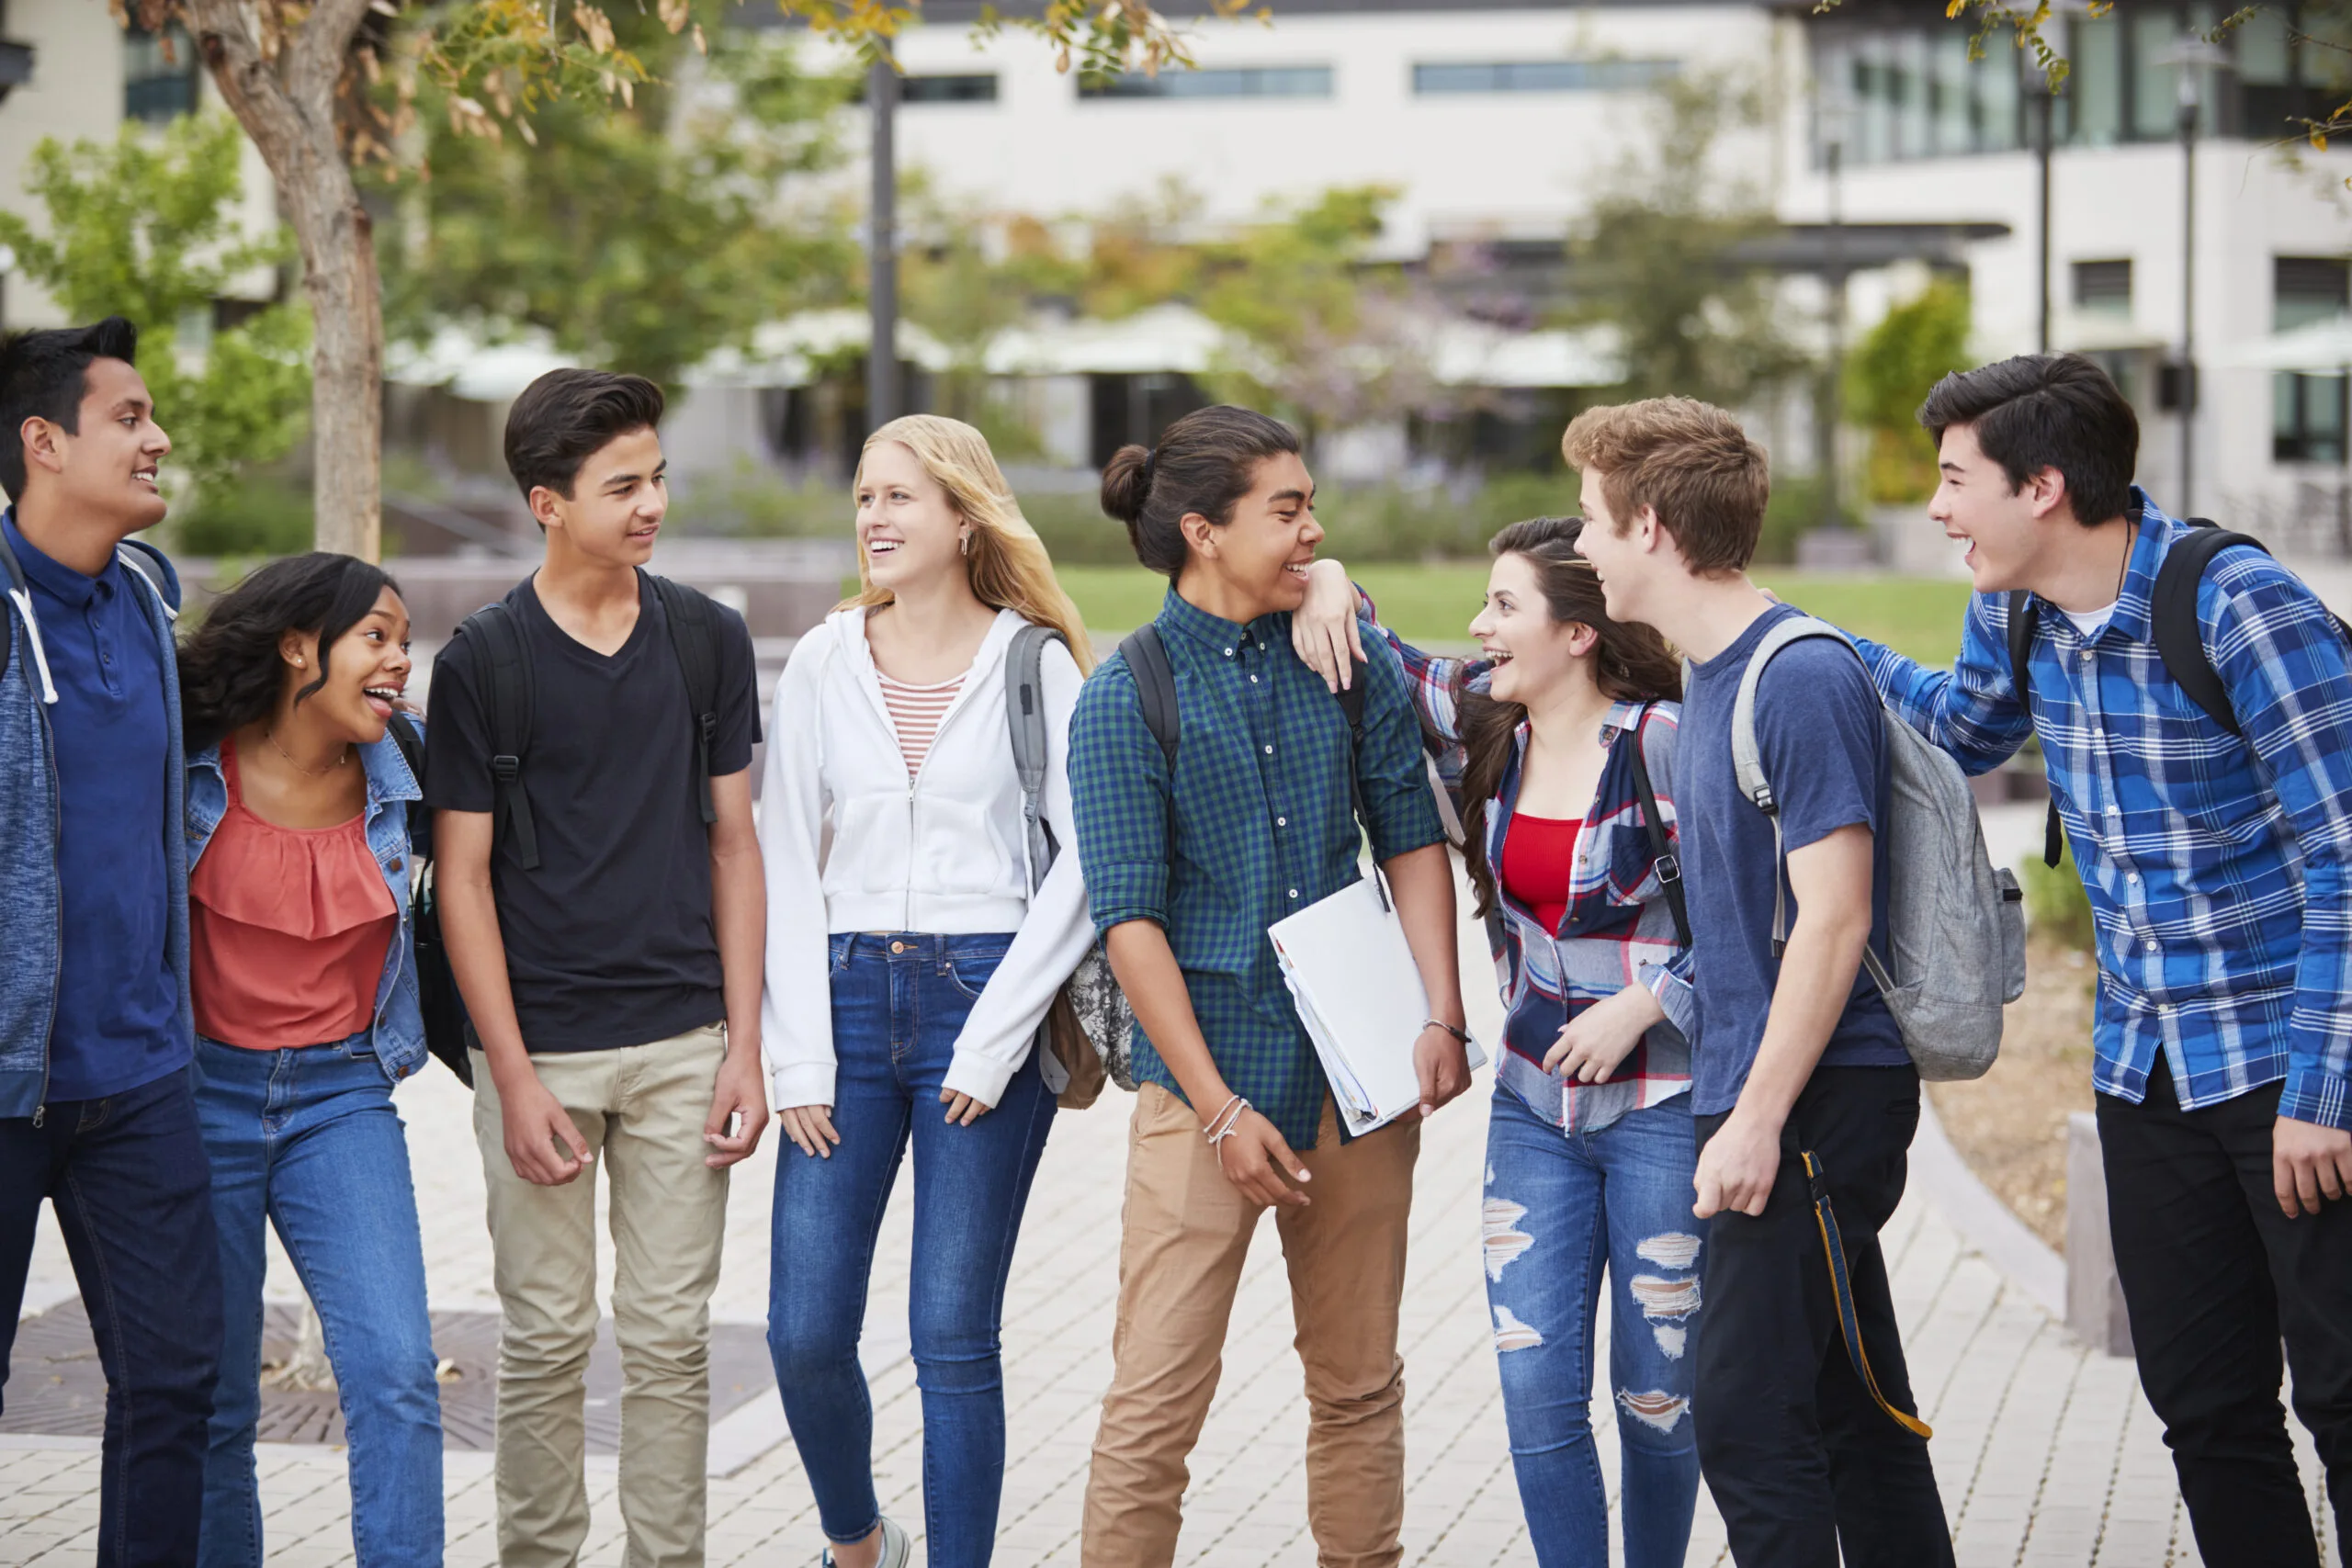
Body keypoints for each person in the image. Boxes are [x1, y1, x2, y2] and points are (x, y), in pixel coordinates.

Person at [1834, 353, 2352, 1568]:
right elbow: (1960, 729)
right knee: (2205, 1404)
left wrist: (2325, 1096)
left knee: (2342, 1394)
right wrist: (1804, 642)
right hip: (2145, 1068)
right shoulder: (2015, 611)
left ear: (2044, 486)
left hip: (2291, 1069)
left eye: (1957, 479)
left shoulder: (2239, 608)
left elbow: (2346, 856)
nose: (1939, 508)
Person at [1069, 403, 1471, 1568]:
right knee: (1153, 1410)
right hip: (1205, 1098)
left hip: (1357, 1084)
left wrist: (1440, 1011)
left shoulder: (1339, 658)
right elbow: (1128, 924)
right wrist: (1219, 1109)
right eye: (1286, 510)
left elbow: (1407, 835)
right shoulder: (1125, 697)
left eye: (1309, 507)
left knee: (1357, 1388)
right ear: (1204, 530)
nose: (1312, 528)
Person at [1565, 397, 1953, 1567]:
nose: (1578, 546)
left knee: (1741, 1419)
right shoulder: (1712, 676)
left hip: (1815, 1101)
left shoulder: (1796, 676)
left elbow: (1834, 921)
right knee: (1854, 1412)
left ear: (1647, 526)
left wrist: (1756, 1121)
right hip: (1777, 1094)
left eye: (1589, 519)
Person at [1291, 516, 1703, 1568]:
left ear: (1578, 634)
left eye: (1505, 606)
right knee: (1533, 1390)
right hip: (1531, 1114)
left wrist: (1651, 1001)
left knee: (1658, 1398)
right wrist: (1331, 569)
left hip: (1665, 1115)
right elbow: (1380, 652)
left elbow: (1767, 918)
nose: (1480, 627)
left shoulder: (1664, 743)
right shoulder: (1488, 730)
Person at [425, 368, 768, 1568]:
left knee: (673, 1337)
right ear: (546, 502)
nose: (652, 502)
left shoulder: (706, 639)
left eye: (658, 475)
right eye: (622, 484)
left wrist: (745, 1046)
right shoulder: (483, 661)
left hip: (684, 1046)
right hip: (544, 1050)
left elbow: (736, 841)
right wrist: (509, 1076)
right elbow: (460, 878)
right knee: (549, 1333)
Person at [761, 414, 1097, 1568]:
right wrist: (796, 1056)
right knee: (802, 1333)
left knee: (951, 1337)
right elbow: (777, 857)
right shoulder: (821, 657)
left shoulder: (1033, 662)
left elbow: (1085, 863)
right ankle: (858, 1543)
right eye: (863, 497)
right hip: (844, 1003)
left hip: (980, 1002)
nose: (874, 519)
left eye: (900, 497)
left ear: (965, 516)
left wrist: (993, 1041)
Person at [0, 317, 223, 1567]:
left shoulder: (142, 595)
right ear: (44, 442)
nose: (158, 436)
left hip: (139, 1075)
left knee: (175, 1385)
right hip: (3, 1080)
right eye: (128, 416)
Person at [178, 553, 443, 1567]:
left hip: (343, 1096)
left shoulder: (404, 770)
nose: (399, 662)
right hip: (200, 1096)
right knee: (215, 1400)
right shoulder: (194, 761)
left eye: (405, 642)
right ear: (299, 646)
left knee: (398, 1373)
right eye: (376, 637)